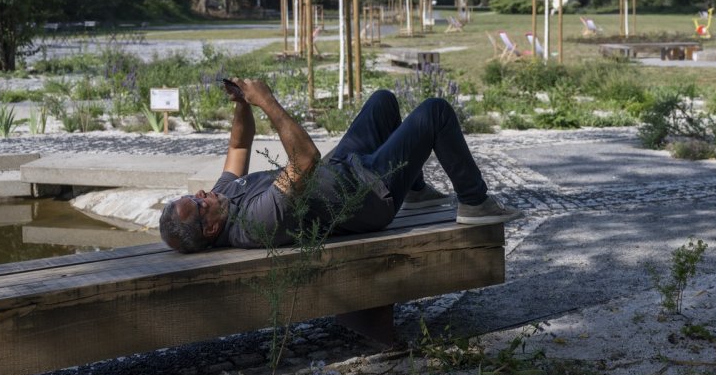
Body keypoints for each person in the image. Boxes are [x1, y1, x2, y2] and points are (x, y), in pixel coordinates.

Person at [159, 78, 521, 253]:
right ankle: (474, 202)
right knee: (435, 112)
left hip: (345, 167)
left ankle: (415, 190)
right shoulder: (256, 224)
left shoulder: (220, 199)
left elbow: (239, 144)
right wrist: (267, 101)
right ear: (209, 230)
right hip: (369, 193)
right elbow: (304, 160)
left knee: (382, 101)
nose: (204, 192)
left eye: (196, 193)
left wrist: (241, 103)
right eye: (200, 203)